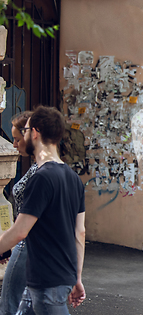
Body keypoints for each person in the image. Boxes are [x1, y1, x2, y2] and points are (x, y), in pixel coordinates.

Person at [0, 106, 86, 315]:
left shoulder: (41, 178)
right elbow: (80, 232)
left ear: (35, 132)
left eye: (26, 131)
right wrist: (77, 277)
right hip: (60, 276)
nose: (23, 136)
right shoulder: (73, 178)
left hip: (47, 278)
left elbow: (20, 231)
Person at [0, 112, 37, 315]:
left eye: (16, 139)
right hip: (34, 246)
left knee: (11, 307)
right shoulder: (42, 169)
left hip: (28, 245)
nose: (14, 144)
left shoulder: (41, 173)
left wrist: (5, 245)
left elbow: (24, 225)